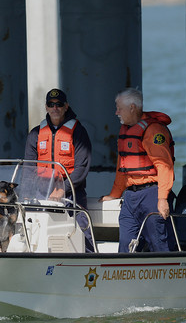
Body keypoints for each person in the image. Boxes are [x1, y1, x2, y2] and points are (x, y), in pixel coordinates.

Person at [100, 87, 175, 253]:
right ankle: (124, 275)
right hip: (130, 198)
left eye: (119, 108)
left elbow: (164, 165)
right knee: (126, 244)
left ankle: (165, 275)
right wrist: (114, 194)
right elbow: (122, 167)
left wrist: (162, 199)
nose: (116, 112)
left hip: (151, 195)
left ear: (132, 107)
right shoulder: (125, 131)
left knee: (158, 243)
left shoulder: (154, 130)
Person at [25, 88, 94, 251]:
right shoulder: (35, 133)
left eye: (59, 104)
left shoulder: (78, 132)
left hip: (72, 193)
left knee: (83, 231)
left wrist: (64, 189)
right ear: (46, 107)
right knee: (35, 231)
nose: (55, 108)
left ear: (66, 106)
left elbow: (82, 167)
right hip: (43, 192)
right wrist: (27, 192)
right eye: (51, 104)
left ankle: (91, 259)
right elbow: (28, 167)